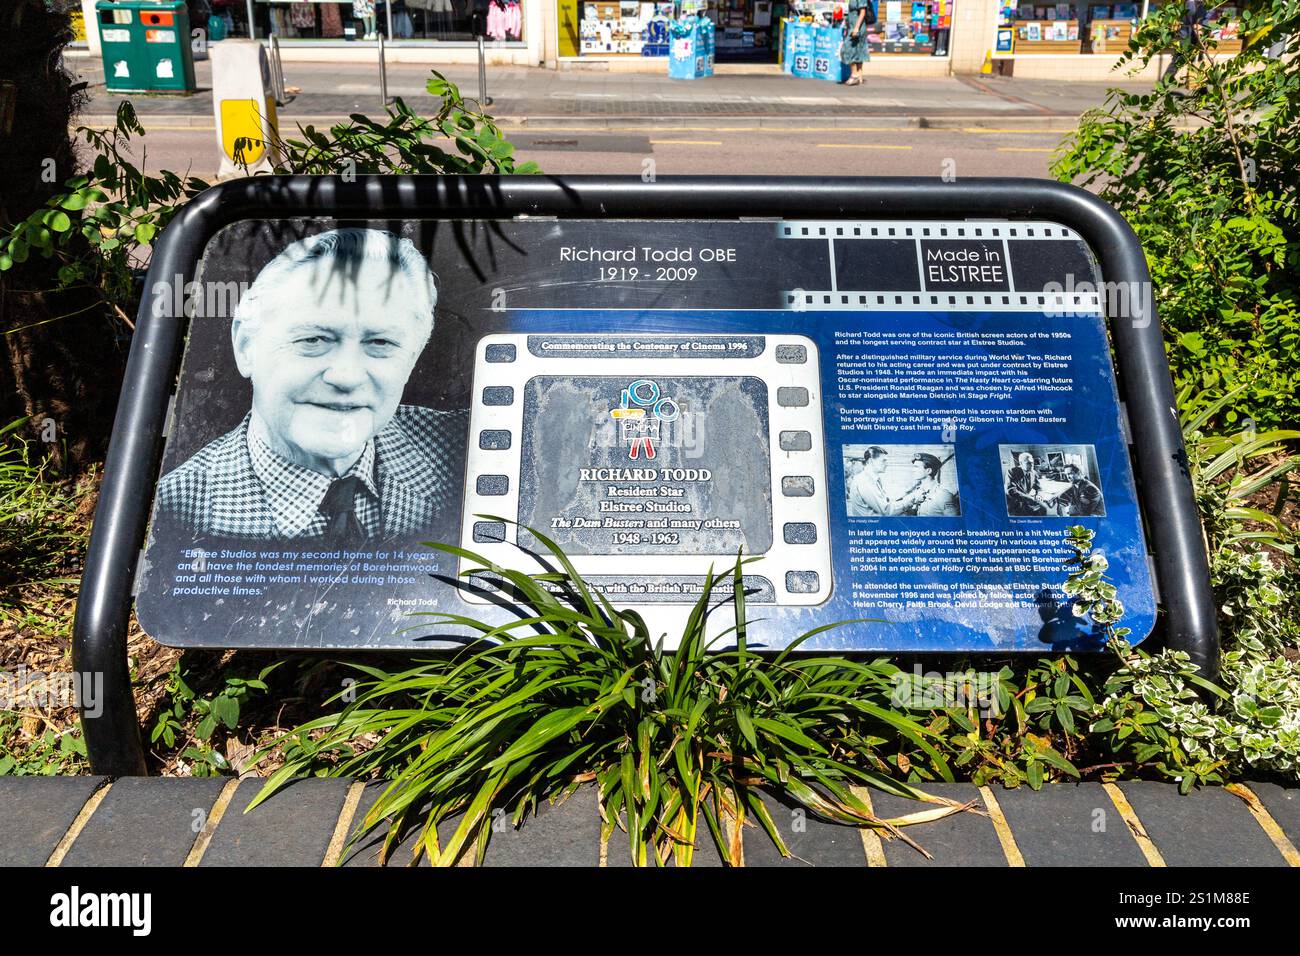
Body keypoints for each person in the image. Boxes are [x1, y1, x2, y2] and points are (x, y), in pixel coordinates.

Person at [153, 228, 463, 545]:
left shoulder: (466, 448)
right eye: (313, 340)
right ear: (246, 345)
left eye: (381, 342)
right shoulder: (174, 508)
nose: (347, 376)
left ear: (412, 358)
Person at [898, 452, 960, 517]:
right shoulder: (918, 492)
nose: (912, 470)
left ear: (928, 471)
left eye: (916, 467)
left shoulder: (943, 495)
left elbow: (954, 522)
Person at [847, 446, 903, 516]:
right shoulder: (865, 481)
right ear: (870, 461)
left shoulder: (871, 479)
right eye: (883, 461)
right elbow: (886, 511)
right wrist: (911, 501)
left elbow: (885, 501)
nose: (887, 464)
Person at [1005, 451, 1048, 516]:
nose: (1032, 465)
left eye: (1032, 463)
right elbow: (1011, 491)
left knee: (1043, 508)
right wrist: (1029, 498)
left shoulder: (1033, 472)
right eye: (1028, 463)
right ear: (1021, 463)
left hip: (1027, 501)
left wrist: (1039, 495)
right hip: (1015, 503)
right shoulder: (1011, 472)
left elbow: (1039, 488)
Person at [841, 0, 872, 87]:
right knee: (858, 51)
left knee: (846, 49)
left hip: (857, 28)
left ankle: (854, 75)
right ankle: (859, 76)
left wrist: (856, 28)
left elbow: (863, 12)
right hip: (852, 26)